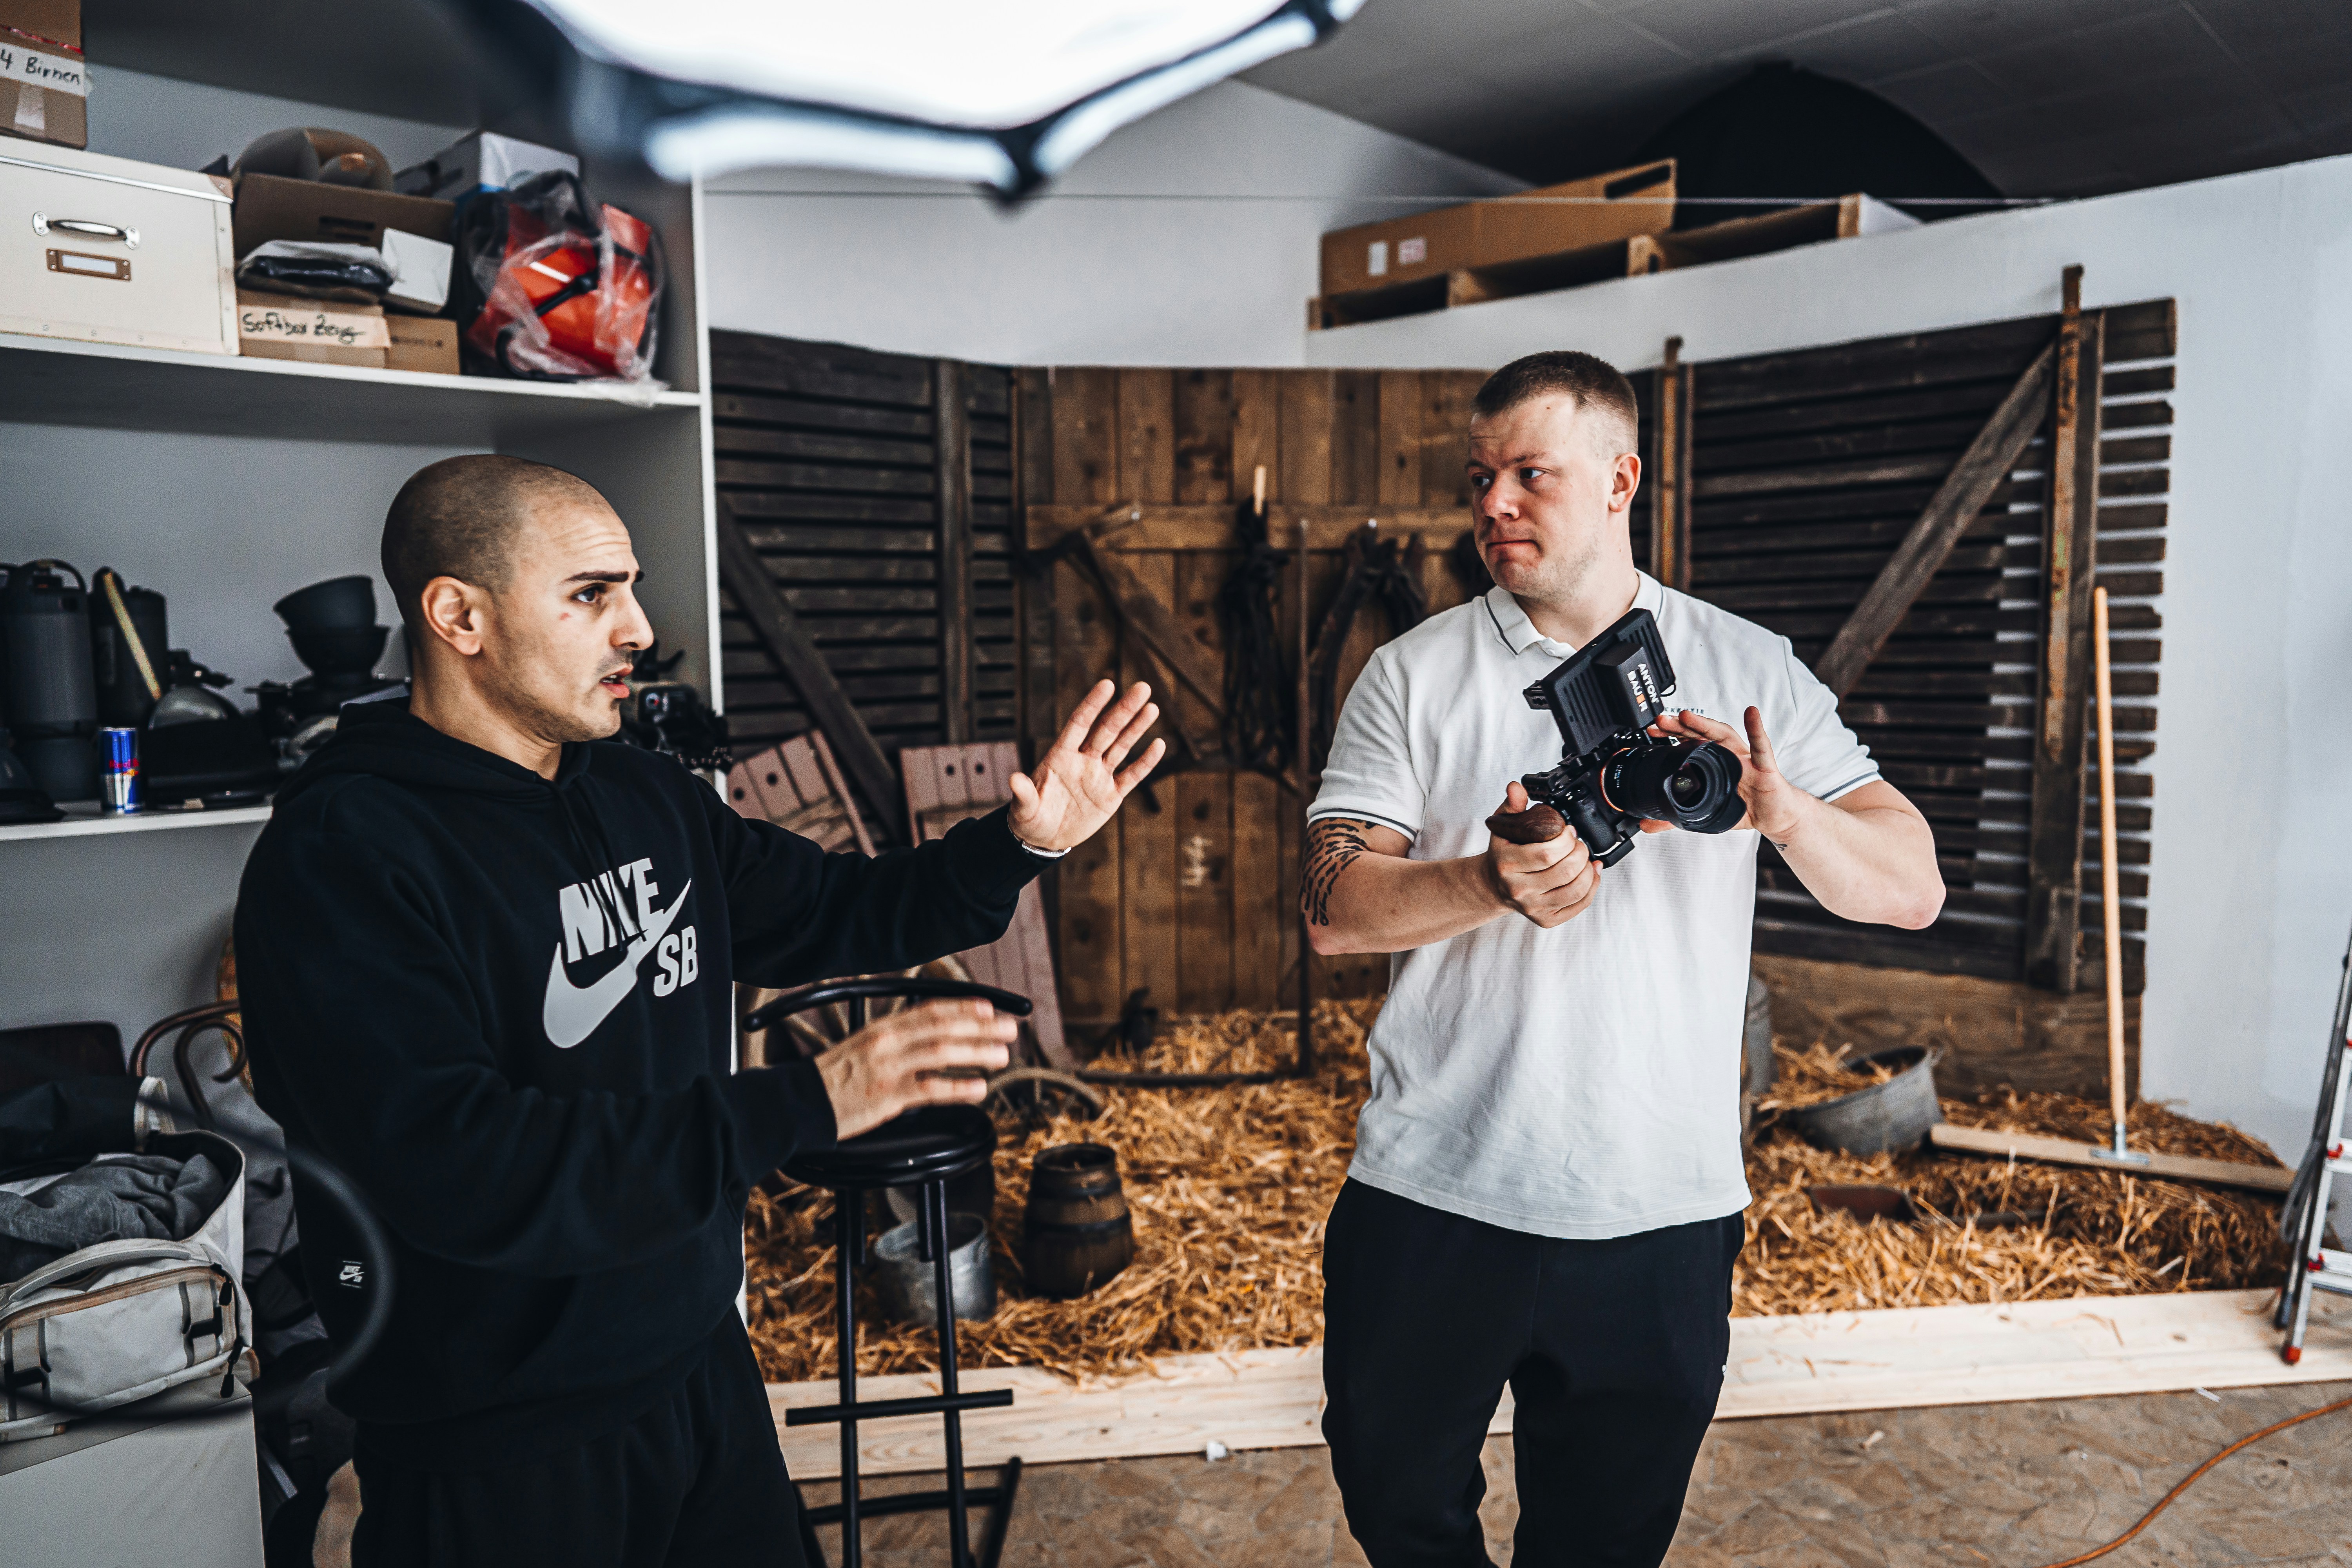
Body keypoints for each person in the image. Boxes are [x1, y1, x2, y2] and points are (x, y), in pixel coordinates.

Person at [235, 455, 1164, 1567]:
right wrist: (811, 1100)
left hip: (698, 1373)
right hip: (499, 1446)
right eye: (592, 594)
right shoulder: (342, 856)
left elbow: (838, 909)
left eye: (630, 587)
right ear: (458, 616)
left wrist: (1020, 845)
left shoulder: (641, 793)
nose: (638, 627)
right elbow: (460, 1164)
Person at [1305, 352, 1944, 1567]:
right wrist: (1488, 881)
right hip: (1435, 1190)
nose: (1492, 505)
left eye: (1530, 475)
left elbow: (1912, 886)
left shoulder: (1749, 669)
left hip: (1660, 1203)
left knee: (1605, 1545)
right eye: (1480, 477)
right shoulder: (1413, 672)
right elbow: (1336, 907)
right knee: (1396, 1505)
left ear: (1620, 479)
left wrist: (1784, 810)